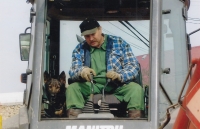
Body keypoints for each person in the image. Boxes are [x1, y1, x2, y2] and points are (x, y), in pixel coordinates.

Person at [66, 18, 144, 118]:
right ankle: (75, 122)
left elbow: (133, 66)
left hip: (117, 87)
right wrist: (82, 72)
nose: (90, 39)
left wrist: (119, 75)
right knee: (73, 89)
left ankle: (135, 123)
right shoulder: (79, 49)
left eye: (93, 34)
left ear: (100, 29)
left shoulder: (119, 43)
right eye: (87, 36)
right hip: (91, 87)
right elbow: (73, 70)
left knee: (136, 89)